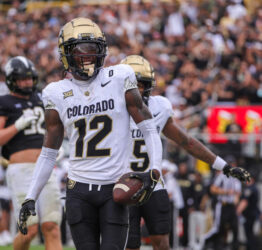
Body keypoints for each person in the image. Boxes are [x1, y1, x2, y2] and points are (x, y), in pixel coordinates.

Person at [18, 17, 164, 250]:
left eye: (91, 51)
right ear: (66, 55)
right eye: (79, 52)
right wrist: (30, 196)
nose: (86, 58)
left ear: (102, 51)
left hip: (113, 187)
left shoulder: (120, 77)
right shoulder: (56, 93)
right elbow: (48, 153)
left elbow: (148, 127)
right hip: (78, 191)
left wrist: (154, 169)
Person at [119, 55, 251, 250]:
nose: (137, 90)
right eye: (133, 85)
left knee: (162, 244)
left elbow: (187, 141)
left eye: (141, 85)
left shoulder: (159, 107)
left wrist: (224, 166)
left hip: (153, 186)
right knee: (128, 245)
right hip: (122, 184)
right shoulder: (112, 110)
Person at [0, 56, 62, 250]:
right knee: (30, 229)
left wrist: (57, 147)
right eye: (22, 78)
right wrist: (17, 126)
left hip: (46, 168)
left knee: (52, 226)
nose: (28, 82)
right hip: (21, 169)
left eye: (30, 77)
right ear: (12, 80)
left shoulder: (42, 99)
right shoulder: (2, 102)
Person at [236, 170, 260, 250]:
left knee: (249, 233)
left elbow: (245, 202)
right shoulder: (253, 188)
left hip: (249, 215)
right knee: (249, 233)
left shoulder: (250, 189)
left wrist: (238, 211)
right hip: (252, 214)